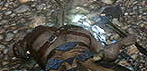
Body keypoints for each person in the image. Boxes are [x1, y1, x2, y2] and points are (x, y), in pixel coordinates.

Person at [11, 23, 139, 70]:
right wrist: (120, 44)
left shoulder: (37, 36)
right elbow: (106, 55)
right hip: (80, 57)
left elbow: (17, 51)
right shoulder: (82, 34)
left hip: (68, 58)